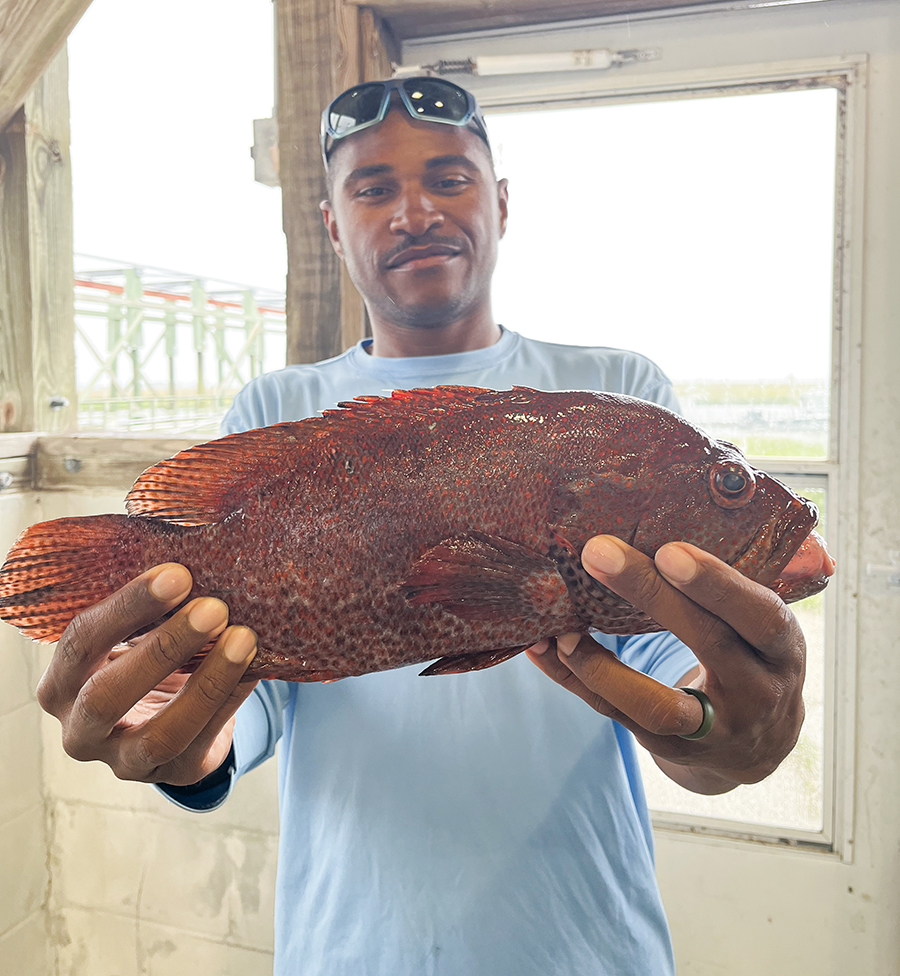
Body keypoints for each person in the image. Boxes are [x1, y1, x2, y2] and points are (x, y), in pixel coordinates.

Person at [36, 78, 806, 975]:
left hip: (587, 947)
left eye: (450, 177)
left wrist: (732, 725)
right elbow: (256, 688)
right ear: (332, 225)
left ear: (501, 202)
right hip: (345, 949)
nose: (414, 211)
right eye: (372, 188)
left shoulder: (619, 392)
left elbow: (679, 688)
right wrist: (184, 739)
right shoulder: (276, 405)